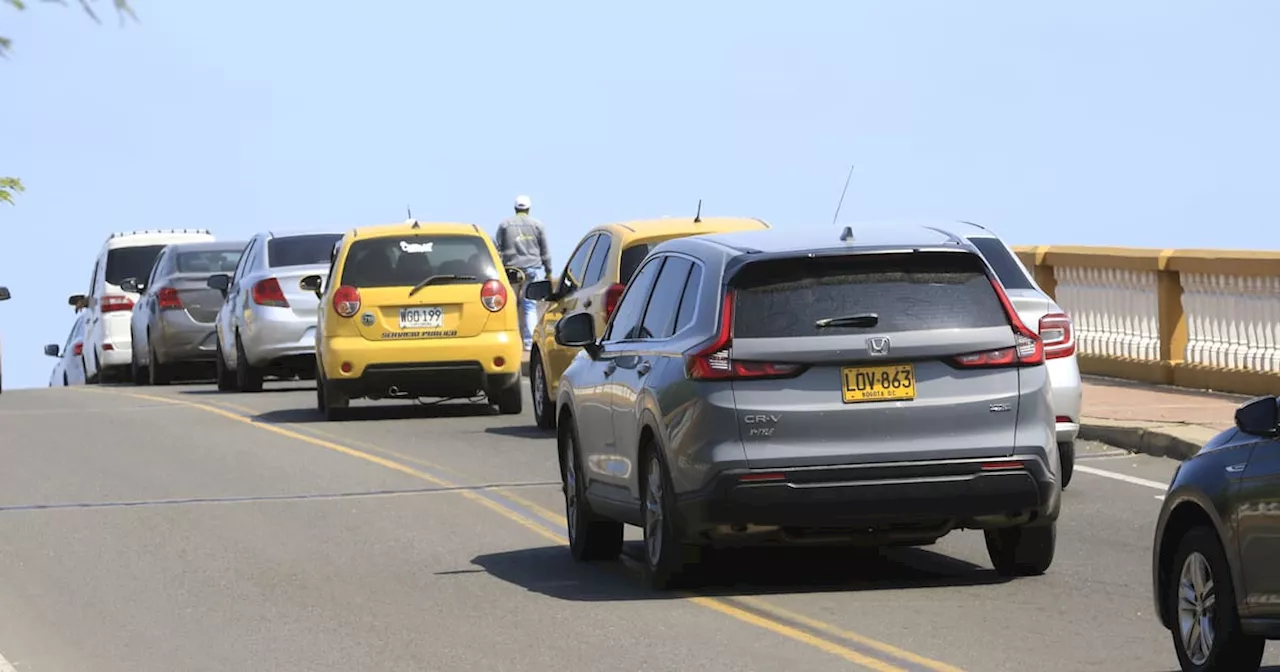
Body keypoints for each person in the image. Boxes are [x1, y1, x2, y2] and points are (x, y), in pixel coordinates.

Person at [493, 195, 553, 351]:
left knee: (510, 305)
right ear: (528, 209)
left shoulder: (505, 225)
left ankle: (510, 340)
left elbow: (497, 247)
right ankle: (529, 343)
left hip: (511, 271)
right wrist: (549, 271)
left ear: (515, 208)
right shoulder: (537, 225)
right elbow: (545, 251)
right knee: (530, 306)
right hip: (532, 269)